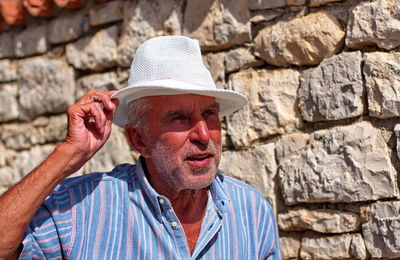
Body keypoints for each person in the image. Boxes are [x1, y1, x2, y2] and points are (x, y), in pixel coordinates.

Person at [0, 36, 281, 259]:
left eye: (209, 114)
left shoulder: (251, 210)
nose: (204, 134)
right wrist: (70, 154)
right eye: (179, 118)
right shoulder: (80, 210)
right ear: (139, 140)